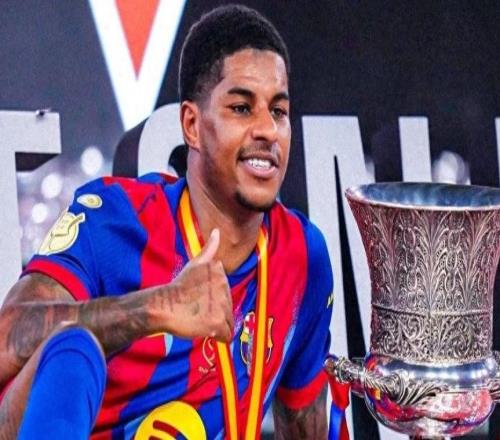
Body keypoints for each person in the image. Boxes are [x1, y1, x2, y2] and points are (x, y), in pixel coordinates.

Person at [0, 5, 334, 439]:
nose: (267, 130)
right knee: (72, 349)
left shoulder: (302, 257)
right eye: (241, 108)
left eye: (279, 111)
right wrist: (157, 307)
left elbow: (306, 424)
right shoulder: (115, 219)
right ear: (192, 126)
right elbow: (6, 340)